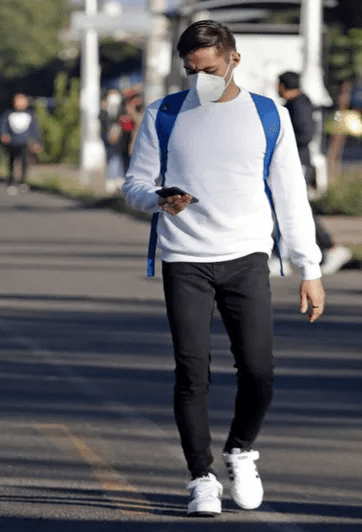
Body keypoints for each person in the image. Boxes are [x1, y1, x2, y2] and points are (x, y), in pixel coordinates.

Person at [122, 20, 325, 517]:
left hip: (247, 257)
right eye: (192, 71)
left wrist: (309, 266)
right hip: (184, 258)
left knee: (259, 371)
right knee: (192, 372)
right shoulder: (164, 113)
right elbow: (134, 184)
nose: (201, 80)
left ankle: (240, 449)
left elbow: (290, 196)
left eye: (209, 70)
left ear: (233, 59)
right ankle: (201, 477)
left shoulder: (268, 115)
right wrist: (157, 198)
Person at [277, 71, 353, 275]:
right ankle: (327, 248)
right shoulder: (299, 104)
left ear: (283, 85)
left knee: (292, 208)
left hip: (297, 163)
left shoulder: (298, 105)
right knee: (296, 208)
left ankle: (324, 249)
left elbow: (304, 135)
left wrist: (282, 143)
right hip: (296, 162)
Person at [0, 92, 41, 195]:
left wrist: (37, 142)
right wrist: (4, 134)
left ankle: (23, 180)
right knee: (12, 161)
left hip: (25, 141)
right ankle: (12, 180)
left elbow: (35, 129)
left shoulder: (30, 115)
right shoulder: (8, 114)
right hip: (13, 141)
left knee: (25, 161)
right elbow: (3, 126)